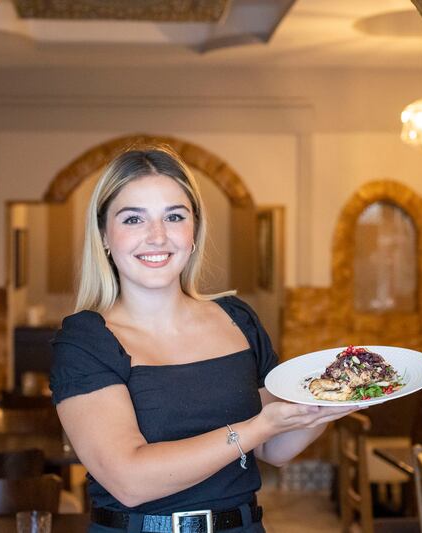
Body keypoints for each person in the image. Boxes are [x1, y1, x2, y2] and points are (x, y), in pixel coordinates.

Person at [50, 146, 359, 533]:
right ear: (105, 236)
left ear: (193, 229)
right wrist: (256, 428)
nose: (157, 236)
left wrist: (326, 405)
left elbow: (274, 450)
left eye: (174, 216)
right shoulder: (85, 342)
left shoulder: (238, 320)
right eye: (133, 219)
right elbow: (130, 480)